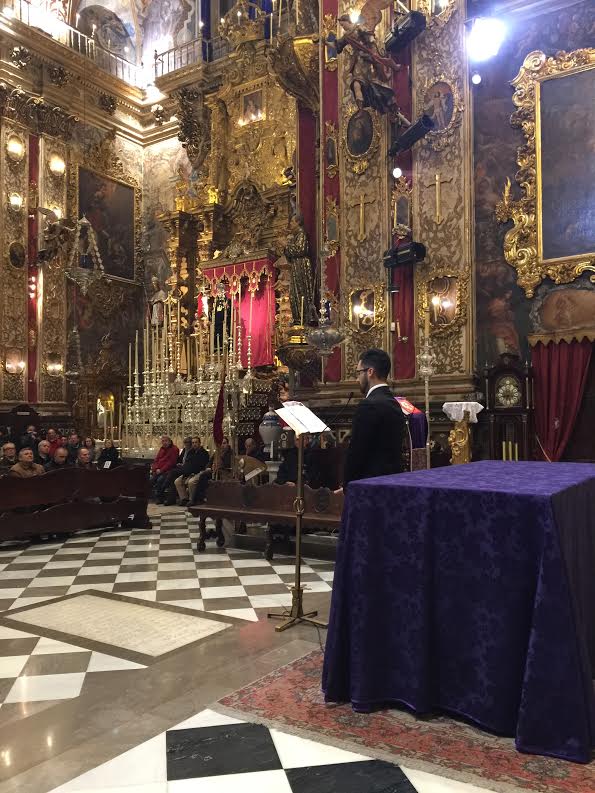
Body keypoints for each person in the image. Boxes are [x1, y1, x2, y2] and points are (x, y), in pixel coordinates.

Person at [342, 348, 406, 489]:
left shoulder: (368, 405)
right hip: (392, 482)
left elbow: (357, 453)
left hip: (369, 486)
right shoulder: (394, 402)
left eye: (359, 373)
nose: (357, 379)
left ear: (370, 372)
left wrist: (347, 486)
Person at [188, 436, 232, 506]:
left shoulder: (230, 453)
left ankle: (199, 499)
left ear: (228, 444)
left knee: (203, 477)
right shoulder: (217, 452)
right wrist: (208, 467)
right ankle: (198, 499)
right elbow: (210, 462)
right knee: (203, 476)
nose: (222, 445)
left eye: (224, 443)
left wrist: (219, 462)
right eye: (221, 443)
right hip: (213, 471)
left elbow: (228, 464)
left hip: (224, 473)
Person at [174, 437, 210, 506]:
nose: (194, 444)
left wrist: (192, 473)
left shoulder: (204, 452)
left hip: (199, 472)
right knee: (177, 481)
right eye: (193, 443)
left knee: (191, 482)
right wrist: (186, 472)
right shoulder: (190, 452)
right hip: (189, 472)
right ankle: (184, 498)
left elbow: (202, 465)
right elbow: (187, 463)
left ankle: (192, 499)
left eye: (196, 442)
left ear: (199, 443)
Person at [160, 437, 193, 505]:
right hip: (181, 469)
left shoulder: (192, 451)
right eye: (185, 443)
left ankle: (164, 488)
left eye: (188, 443)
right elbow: (179, 459)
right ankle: (172, 499)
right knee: (172, 479)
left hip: (188, 470)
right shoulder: (184, 450)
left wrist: (182, 465)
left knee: (171, 474)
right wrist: (179, 463)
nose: (186, 445)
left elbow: (190, 463)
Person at [150, 436, 179, 501]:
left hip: (168, 471)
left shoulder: (174, 449)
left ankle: (160, 497)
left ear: (170, 441)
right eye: (163, 441)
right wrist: (155, 468)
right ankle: (150, 496)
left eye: (166, 441)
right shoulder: (162, 449)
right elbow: (156, 460)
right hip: (158, 470)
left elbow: (171, 462)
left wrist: (161, 470)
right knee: (150, 479)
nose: (164, 442)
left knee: (160, 480)